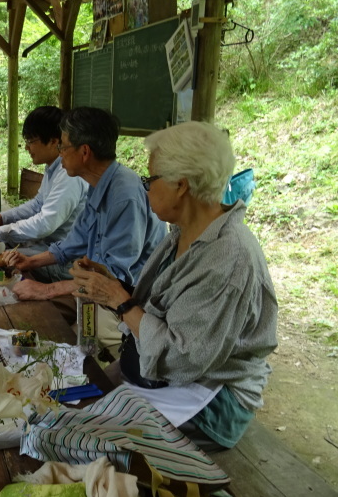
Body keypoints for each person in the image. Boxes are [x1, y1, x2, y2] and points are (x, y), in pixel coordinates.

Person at [69, 121, 278, 449]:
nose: (145, 188)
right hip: (158, 374)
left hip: (211, 398)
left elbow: (184, 358)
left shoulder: (227, 258)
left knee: (80, 438)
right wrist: (113, 286)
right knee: (67, 397)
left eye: (150, 179)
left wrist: (121, 302)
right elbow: (162, 306)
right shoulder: (184, 233)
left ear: (181, 184)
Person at [4, 107, 165, 352]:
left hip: (127, 302)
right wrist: (31, 262)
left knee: (36, 316)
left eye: (63, 147)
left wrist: (47, 290)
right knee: (22, 304)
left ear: (85, 152)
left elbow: (115, 277)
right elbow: (75, 240)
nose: (60, 154)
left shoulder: (124, 195)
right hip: (95, 286)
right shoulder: (99, 184)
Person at [0, 106, 88, 254]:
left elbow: (46, 223)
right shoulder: (53, 168)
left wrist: (0, 231)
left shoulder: (69, 175)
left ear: (54, 141)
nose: (26, 147)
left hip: (61, 255)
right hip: (45, 245)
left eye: (31, 141)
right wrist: (3, 218)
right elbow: (37, 204)